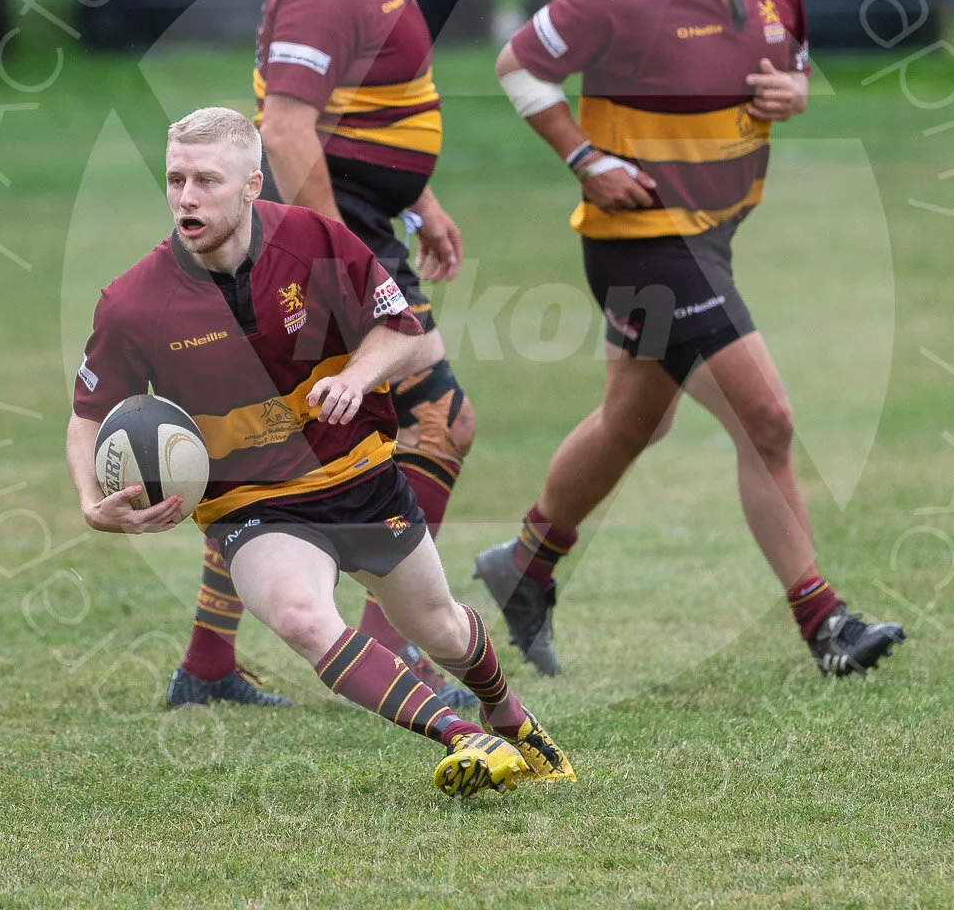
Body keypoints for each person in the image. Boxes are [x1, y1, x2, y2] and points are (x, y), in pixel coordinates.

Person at [474, 0, 906, 679]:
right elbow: (518, 64)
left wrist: (796, 93)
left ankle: (525, 563)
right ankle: (824, 621)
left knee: (636, 421)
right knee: (767, 420)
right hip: (645, 243)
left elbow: (792, 68)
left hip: (711, 239)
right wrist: (585, 159)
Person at [65, 108, 573, 798]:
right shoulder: (134, 304)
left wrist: (357, 377)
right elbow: (89, 414)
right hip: (253, 506)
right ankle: (462, 737)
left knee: (442, 628)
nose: (186, 198)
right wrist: (91, 504)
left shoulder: (313, 240)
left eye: (207, 181)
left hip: (360, 477)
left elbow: (402, 330)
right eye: (176, 179)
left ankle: (507, 714)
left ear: (252, 185)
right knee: (303, 618)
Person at [167, 0, 481, 712]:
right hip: (327, 235)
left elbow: (369, 108)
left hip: (365, 221)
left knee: (276, 444)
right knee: (439, 422)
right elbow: (286, 126)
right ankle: (395, 640)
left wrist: (419, 198)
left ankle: (209, 666)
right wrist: (338, 257)